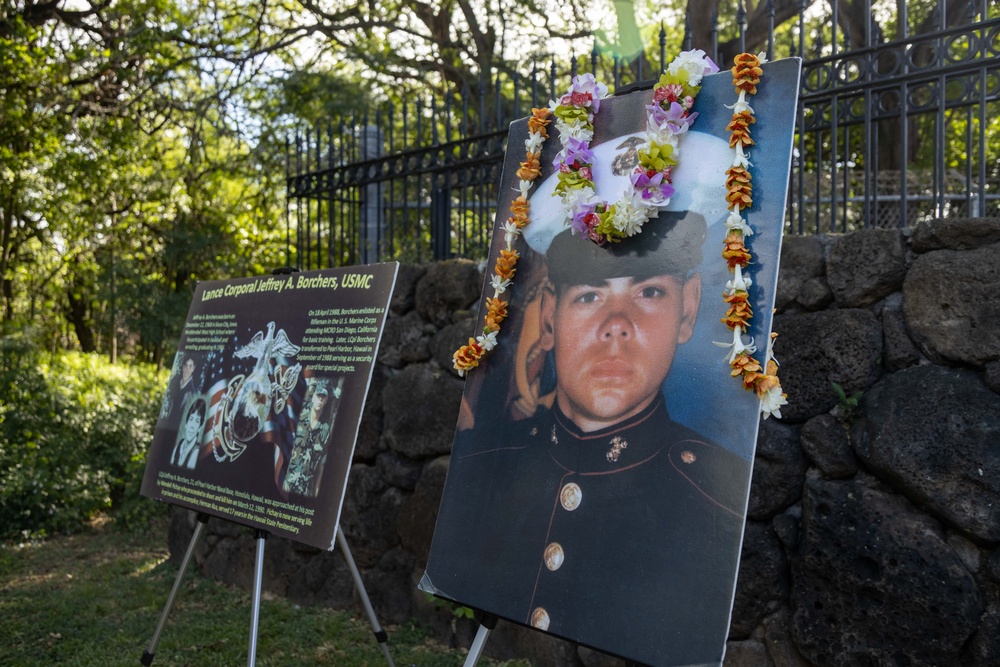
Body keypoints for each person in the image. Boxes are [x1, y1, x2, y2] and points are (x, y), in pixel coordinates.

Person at [422, 131, 752, 667]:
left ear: (688, 310)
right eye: (590, 296)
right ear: (549, 316)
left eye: (649, 292)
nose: (616, 327)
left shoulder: (720, 499)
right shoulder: (482, 464)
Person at [283, 380, 335, 497]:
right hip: (287, 483)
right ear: (313, 398)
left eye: (323, 396)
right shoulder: (298, 420)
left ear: (326, 400)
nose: (320, 399)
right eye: (318, 395)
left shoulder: (325, 430)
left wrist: (316, 493)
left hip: (305, 490)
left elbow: (321, 465)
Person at [171, 398, 206, 469]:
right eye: (191, 419)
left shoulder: (196, 452)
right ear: (186, 424)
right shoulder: (178, 446)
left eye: (197, 421)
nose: (192, 426)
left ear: (199, 428)